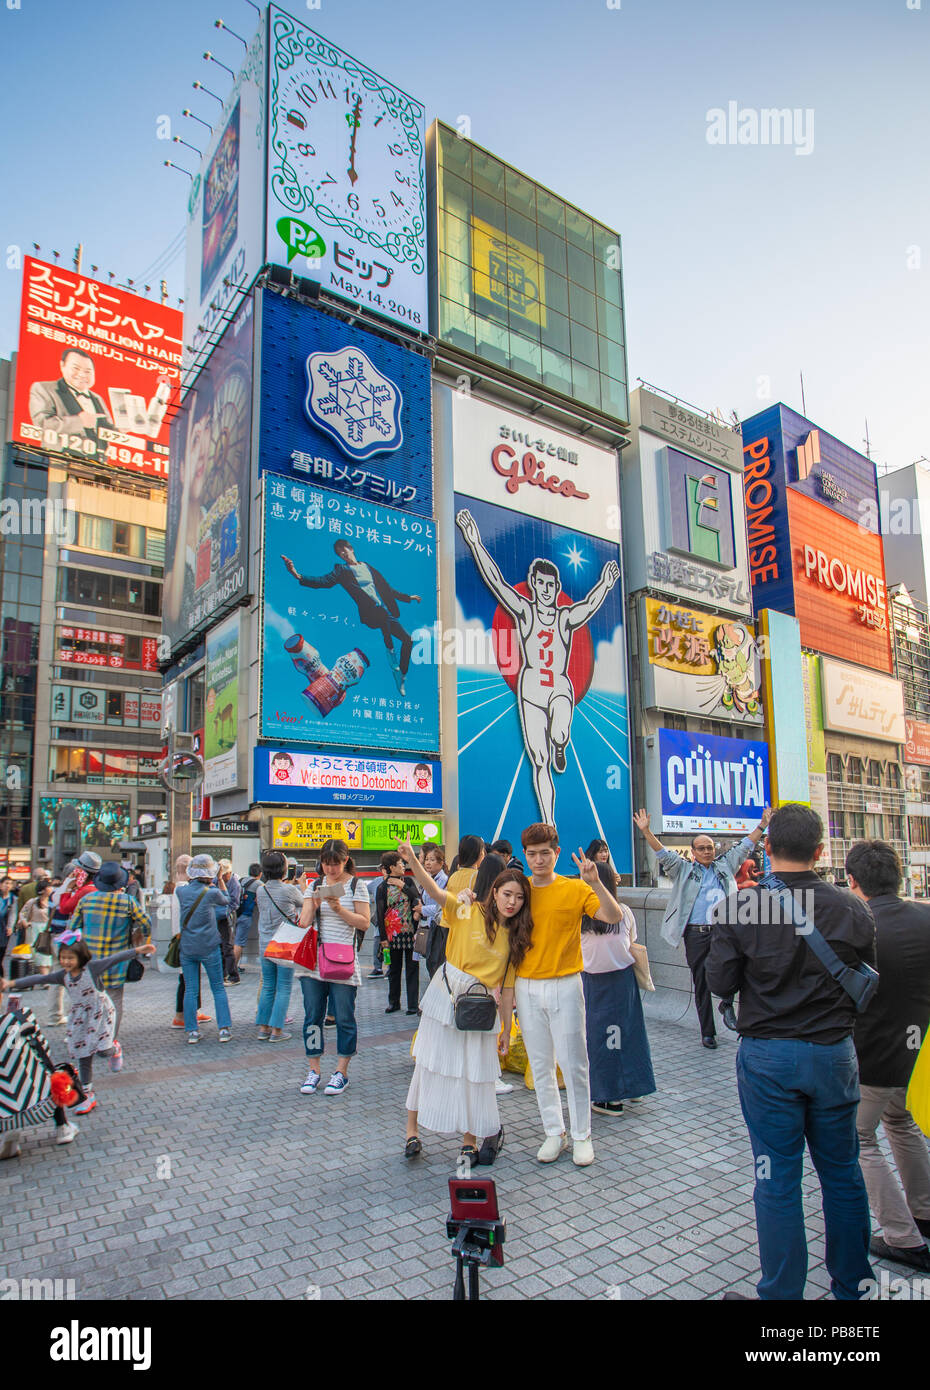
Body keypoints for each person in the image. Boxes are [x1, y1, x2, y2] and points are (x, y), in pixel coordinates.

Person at [705, 804, 876, 1302]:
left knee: (776, 1178)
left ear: (767, 850)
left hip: (768, 1058)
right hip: (834, 1056)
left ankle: (781, 1296)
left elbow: (719, 982)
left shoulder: (741, 907)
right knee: (842, 1173)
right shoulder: (852, 907)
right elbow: (866, 979)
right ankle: (854, 1287)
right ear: (821, 852)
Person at [456, 508, 620, 826]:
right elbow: (497, 582)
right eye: (541, 584)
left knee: (558, 732)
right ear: (533, 584)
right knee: (539, 761)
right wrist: (475, 542)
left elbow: (588, 606)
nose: (546, 590)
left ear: (557, 589)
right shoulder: (525, 612)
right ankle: (549, 822)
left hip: (558, 686)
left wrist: (606, 583)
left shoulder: (564, 617)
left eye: (551, 585)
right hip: (530, 687)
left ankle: (561, 742)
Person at [399, 841, 533, 1164]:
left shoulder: (516, 937)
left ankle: (469, 1140)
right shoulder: (467, 909)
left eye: (518, 898)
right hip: (446, 994)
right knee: (429, 1063)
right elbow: (434, 893)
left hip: (482, 1005)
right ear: (495, 891)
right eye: (507, 894)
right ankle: (411, 1131)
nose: (511, 902)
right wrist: (414, 863)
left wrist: (506, 1029)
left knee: (474, 1073)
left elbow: (509, 988)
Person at [500, 823, 624, 1168]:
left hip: (567, 983)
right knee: (540, 1065)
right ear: (524, 855)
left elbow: (612, 917)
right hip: (526, 986)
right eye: (532, 853)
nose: (538, 860)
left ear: (556, 853)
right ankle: (554, 1131)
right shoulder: (519, 891)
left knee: (574, 1064)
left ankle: (582, 1134)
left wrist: (596, 881)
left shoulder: (574, 888)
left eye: (545, 853)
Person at [845, 840, 930, 1272]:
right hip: (915, 1058)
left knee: (858, 1138)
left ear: (853, 880)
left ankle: (902, 1237)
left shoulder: (857, 926)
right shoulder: (924, 916)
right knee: (902, 1122)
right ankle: (924, 1211)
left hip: (872, 1056)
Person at [633, 806, 772, 1049]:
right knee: (702, 983)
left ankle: (727, 1003)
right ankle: (708, 1032)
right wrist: (646, 831)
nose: (707, 851)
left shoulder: (725, 865)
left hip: (723, 931)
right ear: (694, 852)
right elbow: (663, 854)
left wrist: (761, 825)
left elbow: (745, 847)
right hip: (696, 934)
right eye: (702, 848)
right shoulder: (684, 870)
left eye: (710, 847)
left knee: (737, 968)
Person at [4, 930, 156, 1115]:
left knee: (103, 1051)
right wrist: (11, 984)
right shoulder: (62, 976)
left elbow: (116, 958)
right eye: (63, 957)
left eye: (71, 958)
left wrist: (139, 949)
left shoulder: (92, 968)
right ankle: (87, 1093)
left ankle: (115, 1049)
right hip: (80, 1018)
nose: (67, 962)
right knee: (83, 1055)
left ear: (81, 957)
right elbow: (40, 978)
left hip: (100, 1014)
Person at [282, 541, 422, 696]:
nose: (343, 554)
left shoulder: (367, 567)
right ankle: (391, 656)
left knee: (408, 639)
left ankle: (401, 674)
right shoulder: (342, 570)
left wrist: (408, 598)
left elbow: (386, 588)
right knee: (382, 614)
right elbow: (323, 582)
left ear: (351, 549)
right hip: (370, 614)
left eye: (344, 550)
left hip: (385, 613)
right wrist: (297, 575)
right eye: (339, 553)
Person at [296, 840, 370, 1096]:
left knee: (344, 1017)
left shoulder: (356, 886)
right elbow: (304, 922)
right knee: (313, 1017)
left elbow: (364, 923)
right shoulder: (315, 885)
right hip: (313, 964)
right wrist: (312, 905)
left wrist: (339, 910)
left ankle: (341, 1071)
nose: (331, 869)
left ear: (346, 859)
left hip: (343, 961)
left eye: (335, 864)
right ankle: (314, 1069)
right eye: (326, 864)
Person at [582, 863, 656, 1116]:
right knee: (629, 1035)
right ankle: (635, 1087)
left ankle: (608, 1098)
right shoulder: (623, 911)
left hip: (593, 984)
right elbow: (631, 940)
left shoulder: (581, 917)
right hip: (623, 982)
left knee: (600, 1040)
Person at [68, 862, 152, 1042]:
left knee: (89, 1000)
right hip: (116, 962)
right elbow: (147, 924)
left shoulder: (86, 900)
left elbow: (72, 928)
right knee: (114, 1002)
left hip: (89, 962)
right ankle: (107, 1040)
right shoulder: (127, 901)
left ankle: (89, 1036)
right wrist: (140, 934)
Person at [0, 1000, 82, 1155]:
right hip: (40, 1106)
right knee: (51, 1073)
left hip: (3, 1114)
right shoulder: (20, 1017)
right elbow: (44, 1049)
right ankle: (62, 1128)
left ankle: (5, 1135)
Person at [175, 855, 232, 1044]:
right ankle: (224, 1029)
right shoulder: (211, 892)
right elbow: (227, 900)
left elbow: (183, 884)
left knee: (191, 989)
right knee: (217, 988)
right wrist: (221, 881)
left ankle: (192, 1032)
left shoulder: (181, 892)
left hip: (188, 947)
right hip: (209, 946)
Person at [252, 851, 301, 1043]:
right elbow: (305, 903)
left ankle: (264, 1028)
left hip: (265, 944)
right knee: (284, 987)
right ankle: (277, 1031)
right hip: (284, 944)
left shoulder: (260, 890)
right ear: (283, 869)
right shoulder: (289, 890)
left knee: (268, 987)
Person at [28, 347, 114, 443]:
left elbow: (107, 430)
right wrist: (80, 422)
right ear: (62, 366)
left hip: (97, 457)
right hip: (56, 456)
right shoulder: (44, 388)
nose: (82, 374)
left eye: (88, 371)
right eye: (76, 368)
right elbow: (41, 424)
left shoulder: (98, 398)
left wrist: (119, 430)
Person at [377, 851, 423, 1016]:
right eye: (400, 863)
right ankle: (393, 1002)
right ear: (392, 867)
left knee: (412, 969)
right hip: (392, 935)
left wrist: (403, 887)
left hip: (411, 932)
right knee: (394, 970)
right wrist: (383, 938)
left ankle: (412, 1005)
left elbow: (417, 900)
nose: (404, 866)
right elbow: (380, 912)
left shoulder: (408, 881)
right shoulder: (382, 887)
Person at [169, 855, 211, 1031]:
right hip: (189, 938)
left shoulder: (177, 888)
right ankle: (182, 1015)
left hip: (182, 937)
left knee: (189, 977)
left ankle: (192, 1011)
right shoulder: (185, 889)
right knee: (187, 978)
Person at [420, 843, 449, 979]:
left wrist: (422, 909)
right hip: (429, 926)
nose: (428, 863)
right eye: (426, 859)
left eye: (432, 860)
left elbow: (442, 905)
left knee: (436, 963)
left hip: (439, 927)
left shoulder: (443, 880)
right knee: (430, 962)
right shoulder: (430, 878)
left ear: (441, 863)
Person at [18, 882, 54, 979]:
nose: (51, 889)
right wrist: (24, 921)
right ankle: (45, 978)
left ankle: (46, 976)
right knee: (39, 955)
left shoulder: (53, 901)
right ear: (42, 890)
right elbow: (23, 913)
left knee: (49, 954)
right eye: (49, 887)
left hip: (48, 930)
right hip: (36, 930)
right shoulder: (33, 902)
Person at [234, 862, 262, 976]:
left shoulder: (241, 881)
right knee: (239, 942)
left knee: (235, 940)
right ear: (260, 874)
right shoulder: (259, 884)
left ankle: (233, 966)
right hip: (246, 915)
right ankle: (232, 969)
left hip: (236, 914)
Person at [216, 859, 241, 984]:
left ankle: (233, 975)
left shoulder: (235, 884)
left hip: (228, 916)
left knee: (228, 946)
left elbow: (234, 904)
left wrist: (224, 910)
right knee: (220, 946)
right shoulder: (216, 880)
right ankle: (222, 974)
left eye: (225, 874)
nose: (223, 877)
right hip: (217, 916)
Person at [0, 876, 16, 978]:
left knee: (1, 953)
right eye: (6, 883)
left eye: (10, 883)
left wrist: (10, 926)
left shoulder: (13, 899)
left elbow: (13, 914)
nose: (7, 886)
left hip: (3, 929)